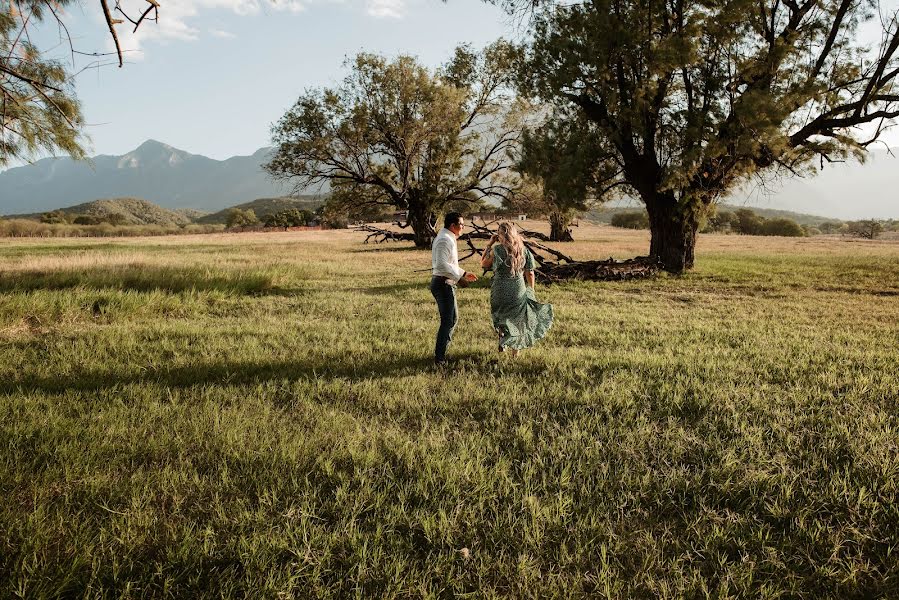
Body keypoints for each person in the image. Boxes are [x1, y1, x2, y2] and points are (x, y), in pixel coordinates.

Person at [480, 221, 553, 356]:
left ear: (499, 235)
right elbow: (530, 272)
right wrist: (531, 289)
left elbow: (483, 264)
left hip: (499, 289)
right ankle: (515, 353)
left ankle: (502, 344)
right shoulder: (523, 250)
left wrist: (489, 244)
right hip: (518, 289)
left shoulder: (497, 250)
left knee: (502, 318)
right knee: (518, 320)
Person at [431, 212, 478, 365]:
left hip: (446, 282)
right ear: (453, 225)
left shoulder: (449, 237)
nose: (463, 227)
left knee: (452, 319)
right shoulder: (445, 239)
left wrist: (464, 272)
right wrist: (459, 279)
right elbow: (441, 265)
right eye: (462, 224)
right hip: (443, 284)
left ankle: (442, 353)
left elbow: (449, 264)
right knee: (447, 321)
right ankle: (439, 358)